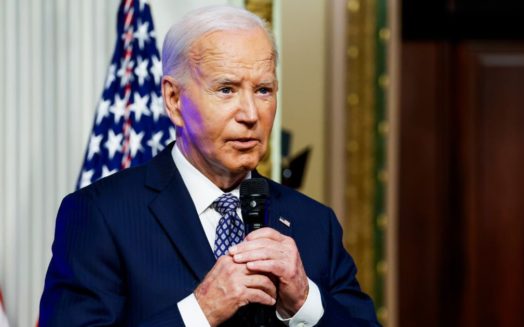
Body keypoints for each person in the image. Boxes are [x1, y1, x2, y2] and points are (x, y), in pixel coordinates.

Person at [39, 5, 381, 327]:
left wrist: (306, 301)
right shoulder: (100, 215)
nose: (250, 115)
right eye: (227, 90)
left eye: (263, 90)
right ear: (174, 99)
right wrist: (199, 311)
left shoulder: (315, 224)